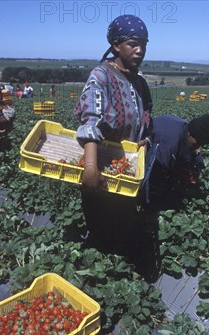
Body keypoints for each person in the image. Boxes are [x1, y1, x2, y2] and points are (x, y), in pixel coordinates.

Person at [74, 14, 152, 260]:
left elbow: (147, 117)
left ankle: (119, 267)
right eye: (133, 44)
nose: (140, 50)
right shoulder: (102, 76)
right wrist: (89, 167)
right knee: (101, 227)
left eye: (144, 44)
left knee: (123, 224)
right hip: (102, 167)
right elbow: (91, 119)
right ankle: (99, 271)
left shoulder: (139, 82)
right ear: (116, 45)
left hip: (127, 169)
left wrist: (145, 140)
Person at [142, 114, 209, 209]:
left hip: (174, 137)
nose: (198, 147)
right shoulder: (168, 144)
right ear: (189, 134)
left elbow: (196, 158)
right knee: (157, 178)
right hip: (156, 141)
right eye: (198, 143)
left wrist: (197, 168)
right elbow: (152, 168)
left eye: (202, 144)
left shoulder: (191, 135)